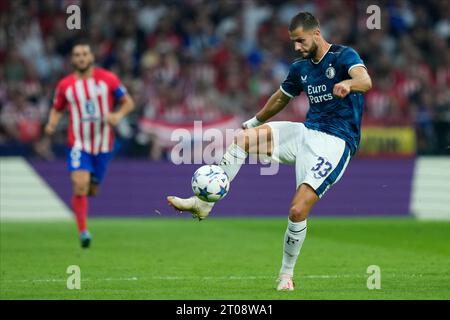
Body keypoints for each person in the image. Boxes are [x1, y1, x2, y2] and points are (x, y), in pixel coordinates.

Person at [167, 11, 372, 291]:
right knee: (243, 139)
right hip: (305, 132)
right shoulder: (300, 68)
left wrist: (349, 83)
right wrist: (254, 121)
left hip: (335, 142)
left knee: (298, 211)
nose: (297, 47)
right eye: (293, 42)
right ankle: (204, 203)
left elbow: (365, 80)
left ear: (316, 33)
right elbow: (280, 97)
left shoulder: (343, 56)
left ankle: (285, 275)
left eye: (300, 41)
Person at [45, 41, 134, 248]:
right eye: (77, 55)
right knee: (80, 184)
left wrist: (117, 115)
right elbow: (57, 108)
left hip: (103, 145)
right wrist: (51, 124)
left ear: (91, 57)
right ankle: (83, 231)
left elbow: (128, 102)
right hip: (78, 143)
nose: (81, 58)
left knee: (92, 190)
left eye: (85, 54)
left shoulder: (108, 79)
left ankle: (85, 200)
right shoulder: (65, 85)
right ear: (72, 59)